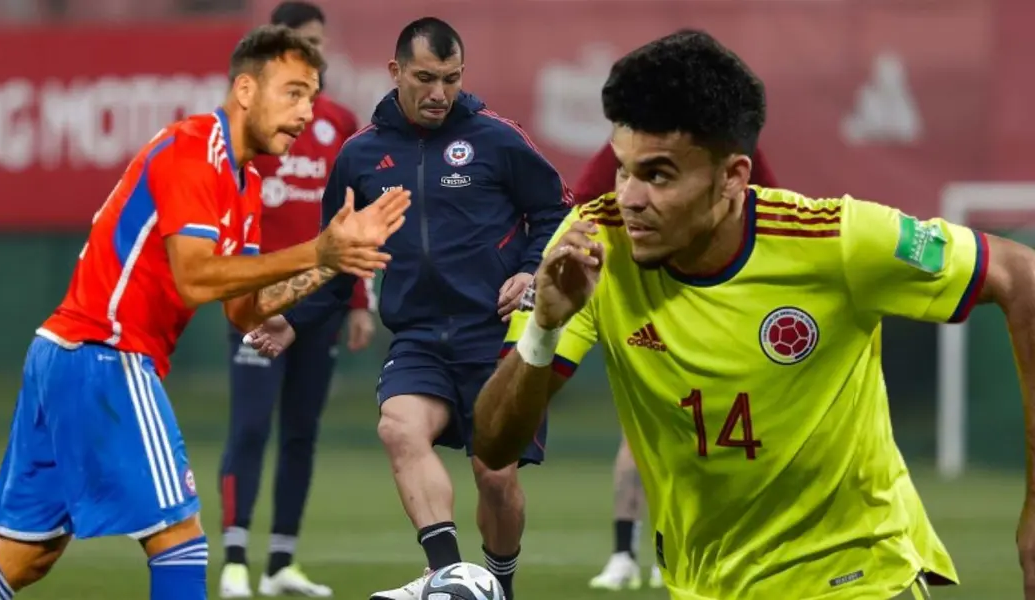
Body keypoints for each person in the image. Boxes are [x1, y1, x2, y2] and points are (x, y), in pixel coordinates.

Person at [474, 28, 1035, 600]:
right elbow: (494, 446)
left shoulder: (834, 241)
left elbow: (1023, 277)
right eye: (623, 169)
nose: (630, 197)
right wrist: (543, 327)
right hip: (704, 584)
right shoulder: (594, 247)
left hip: (855, 578)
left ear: (733, 178)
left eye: (659, 175)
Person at [0, 25, 411, 600]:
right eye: (292, 92)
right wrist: (317, 249)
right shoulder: (194, 149)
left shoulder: (245, 182)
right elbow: (196, 274)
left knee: (23, 558)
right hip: (105, 354)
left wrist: (330, 266)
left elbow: (242, 311)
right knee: (180, 537)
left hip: (66, 357)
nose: (306, 111)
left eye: (312, 94)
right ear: (246, 90)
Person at [247, 17, 572, 600]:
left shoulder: (497, 138)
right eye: (425, 77)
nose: (439, 93)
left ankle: (498, 586)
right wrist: (292, 319)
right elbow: (337, 257)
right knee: (398, 427)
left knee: (494, 476)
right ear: (396, 72)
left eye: (451, 79)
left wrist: (530, 269)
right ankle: (449, 578)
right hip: (419, 337)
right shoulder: (361, 156)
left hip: (495, 340)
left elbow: (555, 213)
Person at [218, 4, 374, 598]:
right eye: (305, 43)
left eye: (320, 44)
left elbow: (350, 220)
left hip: (319, 306)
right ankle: (235, 557)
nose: (317, 55)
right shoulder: (248, 122)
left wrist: (358, 300)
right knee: (251, 426)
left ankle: (281, 561)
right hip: (258, 303)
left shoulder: (340, 122)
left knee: (302, 431)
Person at [574, 139, 778, 592]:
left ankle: (708, 548)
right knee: (642, 434)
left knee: (722, 437)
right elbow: (581, 206)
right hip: (650, 303)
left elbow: (767, 209)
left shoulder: (733, 139)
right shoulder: (625, 145)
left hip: (721, 310)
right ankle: (624, 554)